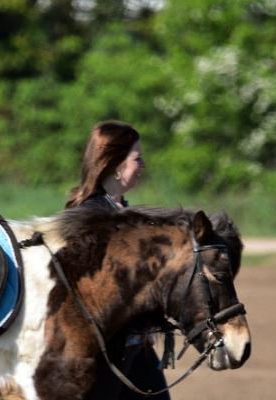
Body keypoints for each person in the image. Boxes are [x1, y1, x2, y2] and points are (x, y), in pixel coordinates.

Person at [65, 120, 170, 400]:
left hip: (136, 347)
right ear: (115, 164)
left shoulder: (120, 210)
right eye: (137, 158)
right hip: (106, 354)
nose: (143, 164)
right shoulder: (91, 216)